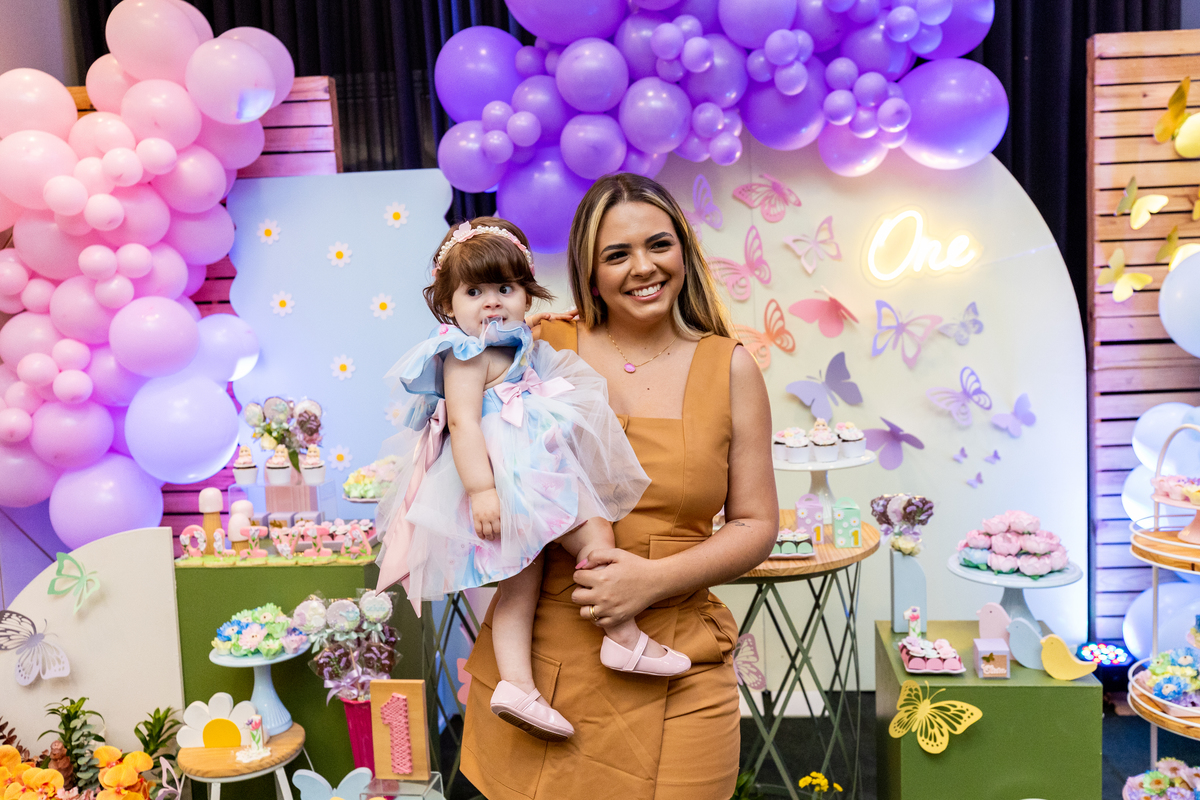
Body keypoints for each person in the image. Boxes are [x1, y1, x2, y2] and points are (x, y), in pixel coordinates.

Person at [461, 174, 778, 800]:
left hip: (676, 656)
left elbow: (756, 525)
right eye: (616, 254)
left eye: (659, 244)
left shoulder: (731, 366)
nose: (643, 267)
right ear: (589, 269)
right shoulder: (539, 345)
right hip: (545, 665)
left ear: (683, 249)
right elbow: (460, 430)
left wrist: (651, 580)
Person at [375, 216, 692, 743]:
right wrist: (482, 491)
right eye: (474, 292)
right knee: (548, 564)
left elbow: (526, 340)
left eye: (506, 289)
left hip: (534, 467)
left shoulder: (514, 340)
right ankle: (564, 662)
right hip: (505, 480)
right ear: (448, 304)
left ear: (526, 295)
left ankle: (546, 671)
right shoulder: (463, 354)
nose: (492, 303)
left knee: (549, 564)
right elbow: (463, 424)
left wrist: (543, 322)